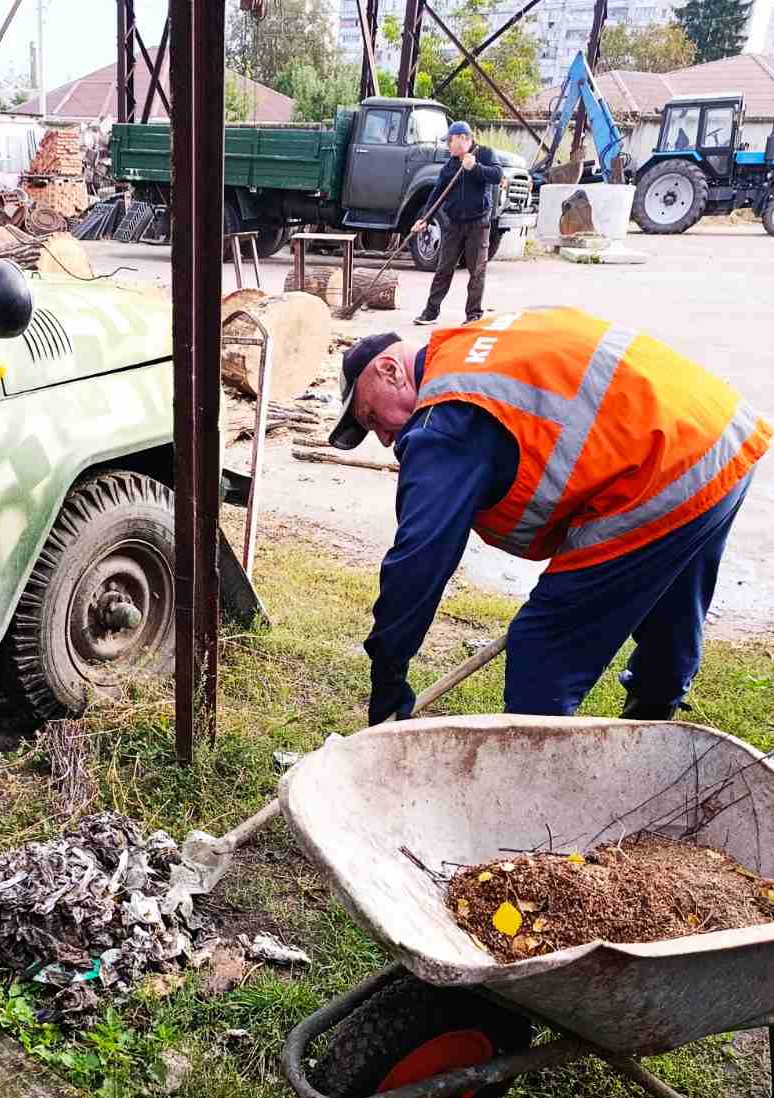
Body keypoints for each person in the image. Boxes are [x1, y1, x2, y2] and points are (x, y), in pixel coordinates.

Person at [327, 310, 771, 724]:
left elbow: (420, 559)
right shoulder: (474, 342)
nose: (385, 439)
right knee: (672, 602)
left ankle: (538, 778)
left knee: (543, 649)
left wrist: (388, 675)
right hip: (717, 436)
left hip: (659, 469)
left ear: (389, 370)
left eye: (372, 417)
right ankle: (652, 727)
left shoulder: (446, 418)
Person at [412, 121, 502, 327]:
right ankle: (430, 312)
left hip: (478, 224)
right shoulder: (450, 165)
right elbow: (437, 194)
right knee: (443, 269)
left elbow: (497, 176)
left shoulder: (486, 154)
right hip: (454, 224)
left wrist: (475, 168)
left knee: (477, 271)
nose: (448, 146)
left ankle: (473, 315)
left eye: (450, 141)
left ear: (463, 138)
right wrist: (424, 219)